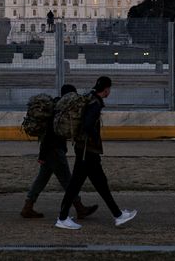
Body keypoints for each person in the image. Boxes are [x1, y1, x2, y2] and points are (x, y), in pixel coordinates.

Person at [55, 76, 137, 230]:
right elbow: (87, 125)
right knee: (75, 185)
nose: (109, 91)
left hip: (86, 150)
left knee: (100, 184)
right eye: (109, 89)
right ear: (106, 89)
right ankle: (62, 218)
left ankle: (118, 215)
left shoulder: (90, 98)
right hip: (87, 151)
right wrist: (95, 137)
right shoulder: (95, 104)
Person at [21, 83, 99, 220]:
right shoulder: (59, 109)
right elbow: (50, 133)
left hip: (50, 150)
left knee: (41, 179)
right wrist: (43, 154)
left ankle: (28, 207)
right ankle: (79, 208)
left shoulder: (56, 106)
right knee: (68, 181)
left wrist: (43, 153)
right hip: (54, 151)